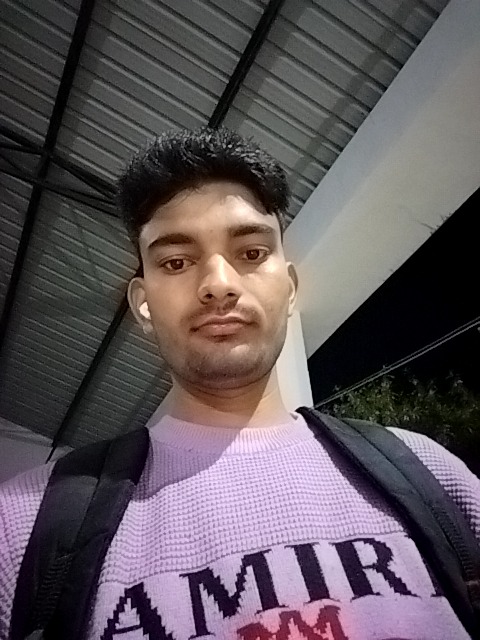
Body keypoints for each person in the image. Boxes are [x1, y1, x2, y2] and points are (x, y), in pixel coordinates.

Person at [1, 127, 479, 640]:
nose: (219, 284)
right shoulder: (24, 525)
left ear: (289, 289)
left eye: (250, 253)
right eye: (176, 262)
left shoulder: (429, 473)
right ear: (142, 304)